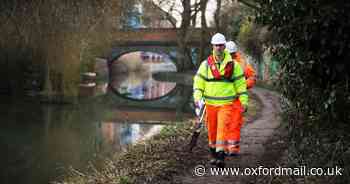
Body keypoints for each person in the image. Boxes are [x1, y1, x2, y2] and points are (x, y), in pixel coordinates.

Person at [193, 33, 248, 167]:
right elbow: (198, 83)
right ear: (213, 46)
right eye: (216, 45)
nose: (218, 47)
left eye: (221, 45)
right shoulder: (206, 65)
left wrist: (244, 101)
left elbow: (241, 84)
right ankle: (213, 153)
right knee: (212, 130)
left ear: (224, 46)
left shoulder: (234, 66)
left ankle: (221, 155)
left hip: (226, 104)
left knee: (222, 128)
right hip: (210, 105)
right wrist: (198, 99)